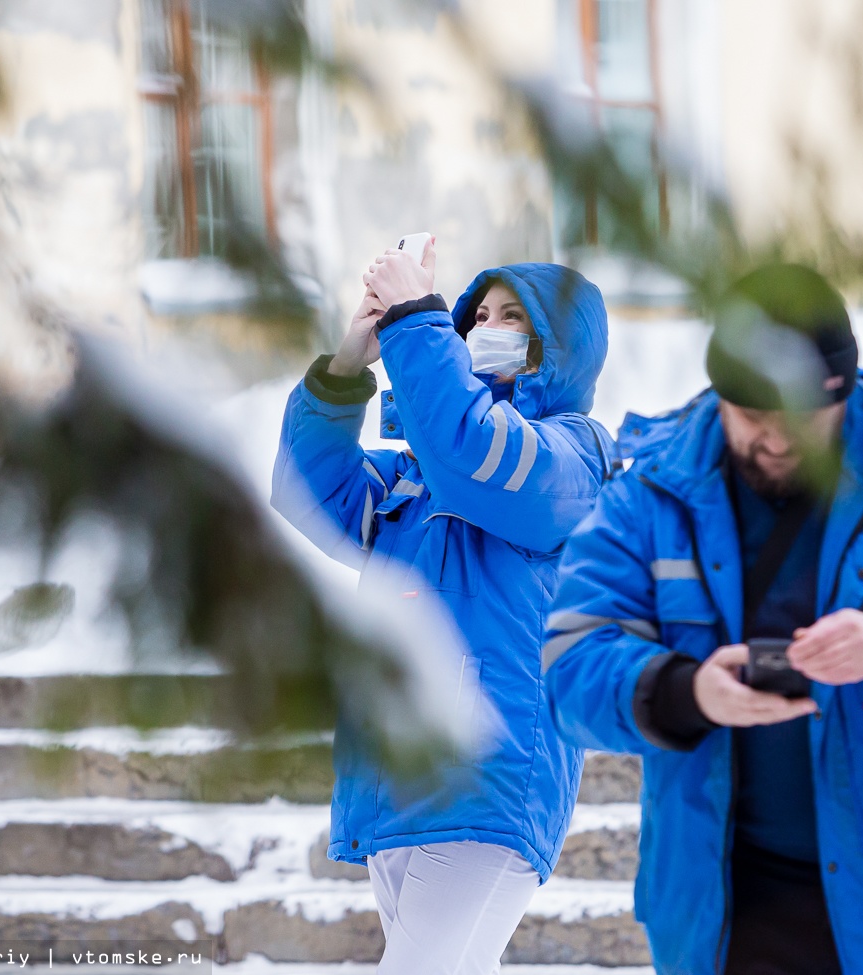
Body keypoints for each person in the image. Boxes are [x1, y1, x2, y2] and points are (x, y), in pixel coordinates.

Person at [541, 263, 863, 975]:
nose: (778, 442)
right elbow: (572, 658)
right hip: (727, 914)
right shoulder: (649, 493)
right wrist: (687, 691)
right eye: (754, 418)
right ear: (719, 395)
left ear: (844, 393)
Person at [271, 240, 616, 974]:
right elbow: (309, 488)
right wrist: (345, 363)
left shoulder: (574, 458)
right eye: (475, 316)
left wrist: (418, 320)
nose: (486, 327)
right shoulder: (419, 482)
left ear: (558, 348)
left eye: (513, 317)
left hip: (486, 781)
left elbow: (477, 454)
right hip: (398, 773)